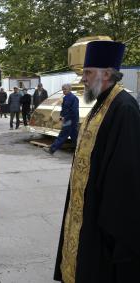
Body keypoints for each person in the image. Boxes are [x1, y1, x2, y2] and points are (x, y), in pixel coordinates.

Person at [54, 41, 140, 283]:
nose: (83, 79)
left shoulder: (124, 107)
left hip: (106, 213)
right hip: (88, 205)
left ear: (107, 74)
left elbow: (127, 172)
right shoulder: (101, 103)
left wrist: (106, 215)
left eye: (88, 72)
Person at [44, 84, 79, 154]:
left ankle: (52, 149)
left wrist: (65, 117)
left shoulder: (73, 98)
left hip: (70, 121)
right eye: (63, 89)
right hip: (68, 120)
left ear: (70, 89)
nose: (63, 91)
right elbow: (64, 109)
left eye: (65, 89)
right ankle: (80, 152)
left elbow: (74, 111)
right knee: (75, 137)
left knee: (62, 135)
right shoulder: (66, 98)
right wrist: (61, 116)